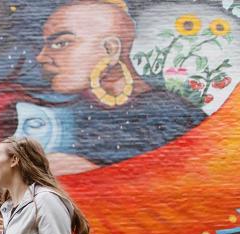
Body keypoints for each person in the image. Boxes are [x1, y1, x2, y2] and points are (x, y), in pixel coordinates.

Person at [36, 0, 206, 168]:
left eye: (61, 43)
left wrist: (93, 174)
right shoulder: (67, 113)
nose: (41, 57)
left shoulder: (170, 115)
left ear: (111, 50)